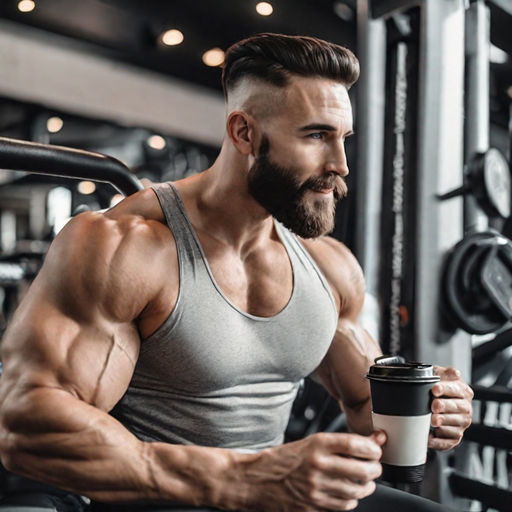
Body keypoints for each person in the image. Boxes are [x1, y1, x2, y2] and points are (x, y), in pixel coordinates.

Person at [0, 33, 473, 512]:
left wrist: (430, 413)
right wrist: (240, 478)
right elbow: (26, 422)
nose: (341, 165)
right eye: (316, 136)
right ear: (244, 133)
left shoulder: (329, 266)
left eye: (343, 139)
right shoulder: (127, 247)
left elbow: (365, 410)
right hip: (161, 498)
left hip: (276, 493)